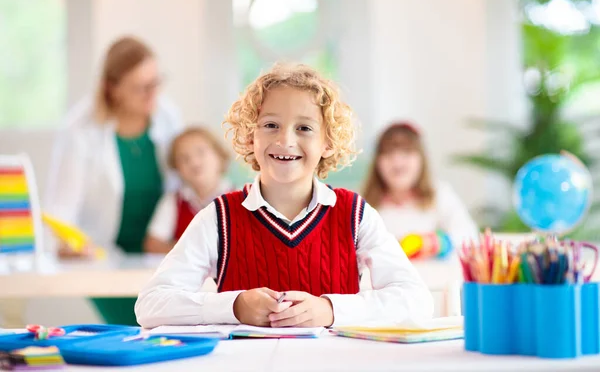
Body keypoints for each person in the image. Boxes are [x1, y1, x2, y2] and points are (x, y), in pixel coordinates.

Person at [135, 63, 433, 329]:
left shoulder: (355, 214)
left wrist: (330, 309)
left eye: (304, 128)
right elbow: (150, 305)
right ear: (251, 137)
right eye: (270, 125)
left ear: (327, 142)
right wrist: (234, 306)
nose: (285, 140)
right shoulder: (218, 217)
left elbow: (416, 301)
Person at [45, 36, 182, 325]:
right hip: (105, 262)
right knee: (134, 335)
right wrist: (68, 244)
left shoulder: (167, 116)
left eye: (156, 82)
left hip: (159, 260)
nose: (152, 94)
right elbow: (60, 211)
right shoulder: (79, 130)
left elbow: (182, 186)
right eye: (141, 87)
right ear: (112, 87)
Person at [362, 122, 478, 258]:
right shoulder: (362, 205)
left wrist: (437, 243)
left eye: (406, 152)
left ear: (421, 159)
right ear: (377, 162)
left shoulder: (439, 194)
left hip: (434, 277)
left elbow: (470, 238)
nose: (397, 161)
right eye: (388, 153)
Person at [144, 127, 234, 254]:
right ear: (176, 169)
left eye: (200, 152)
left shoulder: (242, 199)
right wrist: (193, 255)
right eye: (184, 158)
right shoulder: (173, 201)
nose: (194, 162)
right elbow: (153, 244)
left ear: (220, 155)